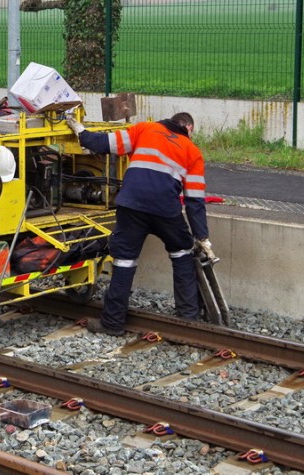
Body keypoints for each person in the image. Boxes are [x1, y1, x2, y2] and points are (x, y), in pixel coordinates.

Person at [66, 112, 214, 336]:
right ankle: (188, 321)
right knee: (182, 253)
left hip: (131, 206)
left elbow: (105, 144)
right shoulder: (192, 151)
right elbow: (195, 200)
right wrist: (202, 237)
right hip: (166, 211)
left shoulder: (145, 129)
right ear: (189, 129)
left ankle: (112, 324)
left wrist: (81, 132)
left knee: (124, 262)